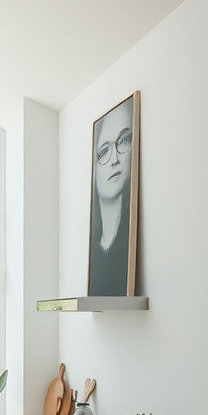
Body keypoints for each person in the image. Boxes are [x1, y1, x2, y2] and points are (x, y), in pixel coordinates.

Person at [88, 97, 135, 296]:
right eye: (104, 151)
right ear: (94, 170)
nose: (115, 159)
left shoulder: (128, 240)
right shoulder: (94, 253)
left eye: (123, 140)